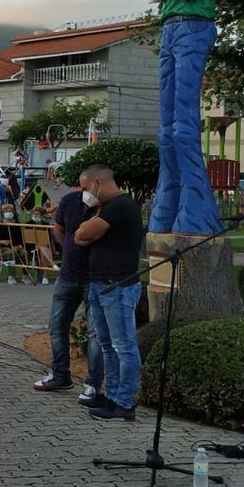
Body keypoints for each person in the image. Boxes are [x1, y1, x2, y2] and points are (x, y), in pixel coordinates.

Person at [139, 0, 226, 237]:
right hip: (170, 27)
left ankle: (195, 212)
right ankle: (168, 205)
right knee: (166, 126)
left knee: (184, 122)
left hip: (195, 25)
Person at [74, 164, 145, 422]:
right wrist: (88, 233)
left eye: (85, 188)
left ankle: (125, 402)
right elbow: (78, 237)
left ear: (98, 182)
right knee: (107, 345)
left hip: (118, 285)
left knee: (123, 346)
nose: (84, 194)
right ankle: (112, 394)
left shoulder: (120, 206)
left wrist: (89, 233)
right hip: (99, 283)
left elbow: (85, 233)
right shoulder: (101, 208)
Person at [33, 180, 105, 402]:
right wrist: (68, 248)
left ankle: (93, 384)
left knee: (95, 334)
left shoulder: (109, 206)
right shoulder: (69, 201)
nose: (85, 191)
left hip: (95, 278)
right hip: (68, 275)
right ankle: (61, 374)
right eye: (82, 186)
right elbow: (59, 226)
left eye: (89, 186)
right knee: (57, 326)